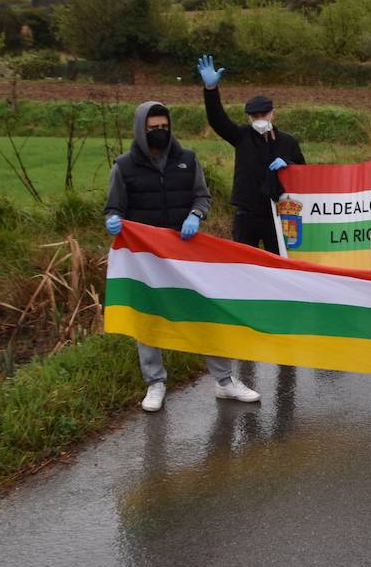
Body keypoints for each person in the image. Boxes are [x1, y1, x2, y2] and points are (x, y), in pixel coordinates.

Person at [104, 101, 261, 412]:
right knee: (148, 319)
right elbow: (113, 207)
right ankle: (155, 382)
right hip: (146, 259)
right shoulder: (124, 166)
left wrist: (195, 214)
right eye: (153, 129)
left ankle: (224, 380)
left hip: (186, 255)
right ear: (140, 130)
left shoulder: (187, 160)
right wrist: (112, 221)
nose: (160, 133)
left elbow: (202, 196)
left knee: (204, 313)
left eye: (164, 127)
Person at [196, 55, 306, 254]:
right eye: (255, 116)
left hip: (278, 214)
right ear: (248, 117)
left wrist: (288, 164)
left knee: (279, 264)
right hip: (246, 214)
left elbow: (303, 172)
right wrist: (211, 91)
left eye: (264, 115)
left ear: (273, 113)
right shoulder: (241, 136)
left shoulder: (288, 142)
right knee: (244, 263)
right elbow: (217, 119)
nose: (260, 119)